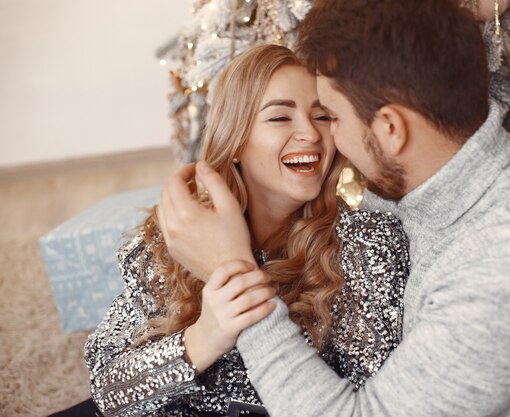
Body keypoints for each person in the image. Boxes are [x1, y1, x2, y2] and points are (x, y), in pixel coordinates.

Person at [157, 0, 510, 416]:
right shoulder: (458, 175)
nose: (325, 138)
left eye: (331, 117)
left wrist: (234, 271)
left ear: (392, 129)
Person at [82, 44, 410, 417]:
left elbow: (364, 405)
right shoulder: (179, 236)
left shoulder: (366, 245)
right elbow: (109, 392)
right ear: (236, 140)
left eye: (322, 116)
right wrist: (203, 338)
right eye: (279, 118)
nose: (311, 134)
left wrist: (241, 289)